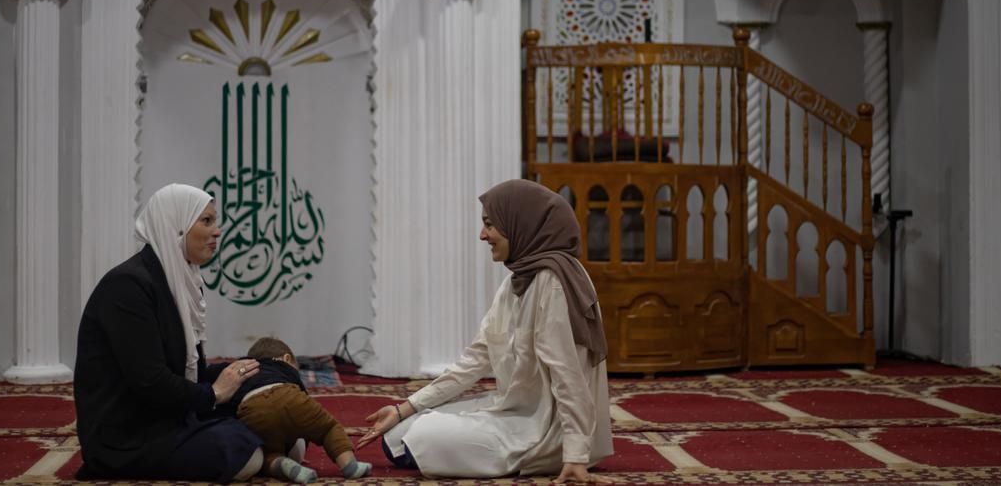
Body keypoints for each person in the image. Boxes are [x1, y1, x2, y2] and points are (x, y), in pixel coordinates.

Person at [357, 179, 614, 483]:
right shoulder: (518, 279)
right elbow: (475, 359)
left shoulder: (554, 282)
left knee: (422, 438)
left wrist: (575, 455)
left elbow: (568, 375)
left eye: (490, 225)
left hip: (548, 430)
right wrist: (403, 409)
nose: (483, 235)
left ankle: (557, 456)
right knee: (397, 435)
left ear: (520, 222)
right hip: (518, 412)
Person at [73, 183, 265, 483]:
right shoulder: (128, 287)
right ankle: (264, 452)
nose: (218, 231)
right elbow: (150, 383)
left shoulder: (183, 281)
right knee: (241, 448)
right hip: (129, 435)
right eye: (206, 221)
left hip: (169, 417)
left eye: (215, 221)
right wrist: (214, 394)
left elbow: (189, 371)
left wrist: (244, 374)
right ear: (176, 227)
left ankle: (267, 445)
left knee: (268, 408)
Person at [232, 336, 372, 483]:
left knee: (267, 453)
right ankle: (349, 465)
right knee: (328, 429)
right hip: (288, 395)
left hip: (252, 408)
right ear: (287, 359)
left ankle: (281, 463)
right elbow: (305, 416)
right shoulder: (283, 369)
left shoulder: (243, 371)